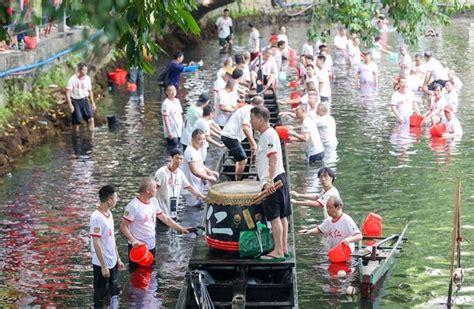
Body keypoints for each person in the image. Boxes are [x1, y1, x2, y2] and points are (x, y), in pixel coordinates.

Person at [250, 106, 291, 261]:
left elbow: (272, 158)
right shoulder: (270, 133)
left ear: (261, 119)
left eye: (252, 119)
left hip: (273, 179)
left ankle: (278, 251)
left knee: (274, 217)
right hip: (280, 177)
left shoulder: (267, 135)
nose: (251, 122)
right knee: (282, 217)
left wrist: (269, 180)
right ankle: (284, 248)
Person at [120, 177, 189, 268]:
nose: (157, 190)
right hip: (137, 248)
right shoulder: (133, 206)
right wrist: (133, 241)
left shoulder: (154, 201)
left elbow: (165, 218)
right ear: (148, 190)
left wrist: (181, 229)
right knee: (137, 274)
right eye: (155, 188)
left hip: (151, 244)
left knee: (150, 271)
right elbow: (123, 226)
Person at [90, 185, 125, 290]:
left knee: (113, 292)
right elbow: (96, 243)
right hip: (101, 265)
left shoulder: (109, 213)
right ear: (109, 200)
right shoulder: (96, 217)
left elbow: (112, 238)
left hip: (112, 261)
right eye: (116, 198)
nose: (117, 200)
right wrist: (104, 267)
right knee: (101, 295)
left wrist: (118, 259)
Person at [221, 96, 263, 180]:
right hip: (230, 136)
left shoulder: (247, 108)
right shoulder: (250, 111)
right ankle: (238, 181)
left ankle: (237, 176)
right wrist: (254, 144)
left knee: (240, 158)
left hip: (233, 136)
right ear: (259, 105)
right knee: (243, 160)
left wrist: (252, 144)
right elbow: (245, 128)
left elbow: (249, 129)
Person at [154, 149, 206, 217]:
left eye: (181, 159)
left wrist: (203, 197)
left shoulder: (180, 173)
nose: (179, 161)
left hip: (173, 210)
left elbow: (189, 187)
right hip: (161, 212)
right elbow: (154, 189)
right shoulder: (161, 172)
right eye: (177, 158)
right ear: (171, 158)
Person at [182, 129, 219, 207]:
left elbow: (201, 165)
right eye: (199, 139)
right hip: (191, 188)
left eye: (204, 139)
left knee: (200, 206)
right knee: (194, 210)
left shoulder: (197, 149)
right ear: (193, 140)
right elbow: (194, 171)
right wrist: (209, 177)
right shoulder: (190, 151)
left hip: (198, 185)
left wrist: (210, 172)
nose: (202, 142)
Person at [66, 62, 96, 131]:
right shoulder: (72, 79)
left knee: (91, 119)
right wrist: (70, 104)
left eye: (86, 70)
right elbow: (68, 93)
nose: (85, 72)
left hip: (85, 100)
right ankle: (76, 136)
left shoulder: (87, 79)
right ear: (79, 70)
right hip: (75, 101)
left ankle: (92, 136)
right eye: (83, 70)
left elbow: (90, 91)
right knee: (77, 121)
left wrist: (93, 103)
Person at [161, 84, 183, 151]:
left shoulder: (177, 101)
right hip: (172, 132)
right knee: (173, 150)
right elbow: (166, 117)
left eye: (174, 90)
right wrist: (169, 131)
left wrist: (183, 126)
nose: (172, 92)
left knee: (179, 149)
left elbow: (180, 114)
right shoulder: (166, 103)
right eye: (170, 90)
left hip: (179, 130)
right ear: (166, 92)